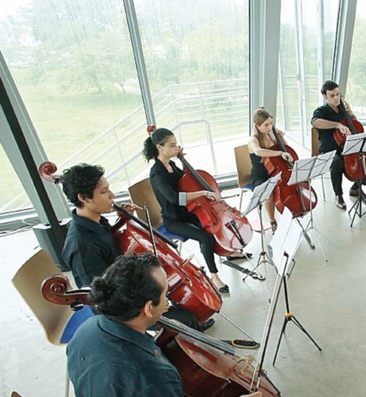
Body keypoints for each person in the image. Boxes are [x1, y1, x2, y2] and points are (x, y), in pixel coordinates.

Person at [67, 254, 325, 397]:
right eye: (165, 295)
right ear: (147, 308)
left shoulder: (88, 329)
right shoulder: (148, 377)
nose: (169, 301)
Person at [59, 163, 257, 347]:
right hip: (122, 308)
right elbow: (101, 301)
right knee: (186, 318)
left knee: (188, 311)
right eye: (104, 192)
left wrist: (124, 221)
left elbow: (117, 251)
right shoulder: (81, 245)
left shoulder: (97, 222)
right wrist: (149, 303)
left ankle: (191, 328)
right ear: (84, 198)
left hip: (129, 283)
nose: (112, 195)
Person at [144, 128, 249, 294]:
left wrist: (182, 160)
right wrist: (203, 193)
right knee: (205, 237)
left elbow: (186, 181)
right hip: (174, 220)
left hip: (187, 213)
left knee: (213, 226)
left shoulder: (171, 164)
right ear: (159, 147)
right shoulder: (157, 174)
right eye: (172, 145)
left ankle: (229, 251)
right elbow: (174, 198)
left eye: (176, 144)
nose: (176, 148)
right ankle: (214, 277)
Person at [311, 80, 366, 210]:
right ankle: (338, 196)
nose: (336, 98)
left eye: (337, 94)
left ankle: (356, 188)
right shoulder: (321, 111)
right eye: (332, 95)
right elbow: (315, 122)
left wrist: (350, 113)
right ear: (324, 96)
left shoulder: (343, 109)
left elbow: (355, 124)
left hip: (346, 147)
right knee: (337, 161)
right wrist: (337, 125)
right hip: (329, 150)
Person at [247, 108, 294, 230]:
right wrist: (279, 153)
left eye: (271, 123)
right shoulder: (253, 139)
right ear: (257, 125)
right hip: (260, 175)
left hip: (276, 171)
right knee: (268, 193)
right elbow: (258, 151)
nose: (269, 127)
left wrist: (281, 138)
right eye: (266, 125)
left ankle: (291, 214)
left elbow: (287, 150)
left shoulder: (271, 135)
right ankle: (273, 221)